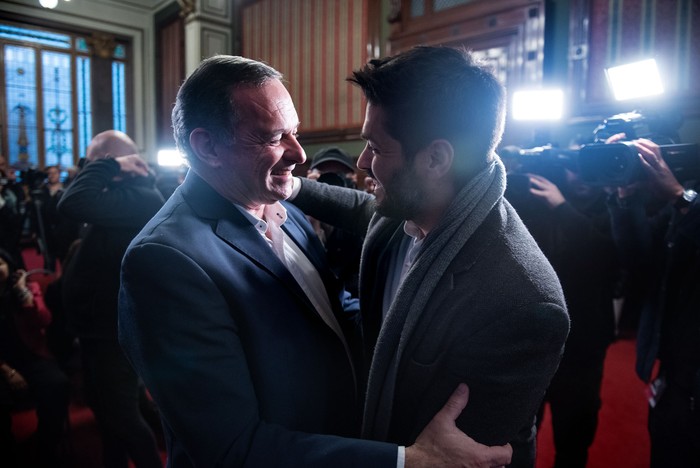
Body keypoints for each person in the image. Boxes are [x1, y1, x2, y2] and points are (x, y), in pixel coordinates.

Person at [117, 55, 512, 468]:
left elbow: (332, 313)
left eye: (296, 132)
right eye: (274, 138)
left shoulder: (277, 204)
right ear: (207, 146)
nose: (300, 154)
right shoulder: (163, 262)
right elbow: (231, 448)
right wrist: (406, 460)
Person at [290, 45, 570, 467]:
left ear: (436, 159)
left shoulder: (524, 300)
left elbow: (463, 456)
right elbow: (357, 208)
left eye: (376, 148)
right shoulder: (411, 210)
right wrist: (290, 187)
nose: (363, 164)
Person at [58, 130, 164, 468]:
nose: (87, 169)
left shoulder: (140, 197)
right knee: (106, 412)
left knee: (123, 418)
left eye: (94, 162)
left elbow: (70, 201)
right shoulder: (122, 193)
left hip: (111, 330)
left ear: (121, 162)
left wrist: (108, 166)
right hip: (98, 327)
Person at [505, 164, 617, 468]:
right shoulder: (532, 200)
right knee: (518, 435)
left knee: (575, 434)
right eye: (573, 168)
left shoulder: (612, 205)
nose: (581, 176)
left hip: (584, 344)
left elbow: (606, 255)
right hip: (532, 342)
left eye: (588, 168)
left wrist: (563, 208)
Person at [605, 136, 700, 467]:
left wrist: (681, 199)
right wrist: (626, 195)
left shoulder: (687, 196)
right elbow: (640, 258)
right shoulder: (692, 187)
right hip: (675, 366)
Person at [0, 248, 71, 468]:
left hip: (30, 355)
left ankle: (48, 446)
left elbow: (44, 320)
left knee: (56, 384)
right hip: (2, 363)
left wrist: (23, 293)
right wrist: (7, 371)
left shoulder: (26, 289)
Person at [306, 147, 364, 296]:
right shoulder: (295, 216)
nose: (331, 183)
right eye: (325, 176)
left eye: (339, 175)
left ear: (353, 178)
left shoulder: (364, 214)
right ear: (310, 177)